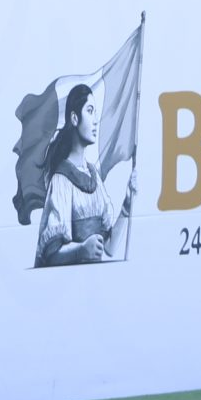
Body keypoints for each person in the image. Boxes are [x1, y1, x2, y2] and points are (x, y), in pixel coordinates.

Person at [34, 82, 134, 268]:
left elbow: (110, 248)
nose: (95, 120)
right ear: (74, 118)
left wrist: (127, 206)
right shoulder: (61, 180)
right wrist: (81, 250)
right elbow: (51, 255)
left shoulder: (93, 176)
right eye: (90, 111)